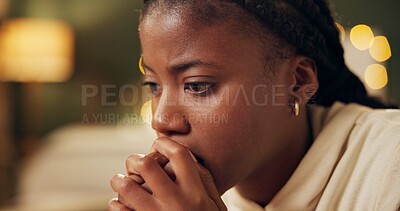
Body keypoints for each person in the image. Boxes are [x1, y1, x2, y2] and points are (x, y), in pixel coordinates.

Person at [109, 0, 400, 210]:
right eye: (153, 86)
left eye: (197, 85)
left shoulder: (390, 164)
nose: (161, 120)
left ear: (297, 83)